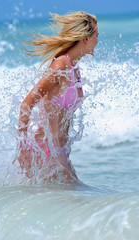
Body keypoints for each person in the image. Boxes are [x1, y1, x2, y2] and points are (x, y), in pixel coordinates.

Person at [17, 11, 98, 183]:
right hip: (45, 152)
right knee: (73, 202)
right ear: (85, 39)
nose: (98, 41)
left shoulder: (74, 67)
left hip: (60, 153)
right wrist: (22, 147)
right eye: (96, 36)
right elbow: (26, 103)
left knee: (68, 203)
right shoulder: (61, 65)